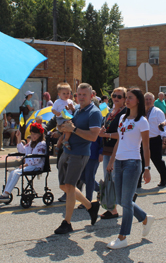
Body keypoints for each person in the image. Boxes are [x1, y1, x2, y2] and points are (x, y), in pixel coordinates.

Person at [106, 88, 155, 249]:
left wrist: (147, 168)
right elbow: (119, 140)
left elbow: (146, 147)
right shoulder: (122, 118)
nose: (127, 100)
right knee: (120, 200)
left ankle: (122, 237)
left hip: (132, 164)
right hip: (119, 162)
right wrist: (112, 160)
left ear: (138, 101)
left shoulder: (142, 121)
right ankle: (145, 218)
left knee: (126, 202)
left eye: (130, 98)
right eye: (126, 98)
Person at [53, 83, 103, 234]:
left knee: (69, 187)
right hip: (67, 151)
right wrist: (62, 128)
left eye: (84, 95)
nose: (81, 97)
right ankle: (90, 206)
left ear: (91, 96)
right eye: (78, 95)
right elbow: (66, 125)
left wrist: (73, 129)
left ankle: (67, 222)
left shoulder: (94, 112)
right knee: (64, 186)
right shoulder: (77, 109)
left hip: (79, 153)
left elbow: (94, 137)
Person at [0, 123, 47, 202]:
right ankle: (5, 193)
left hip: (37, 166)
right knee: (13, 172)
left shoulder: (42, 144)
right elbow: (22, 150)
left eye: (35, 134)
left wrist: (26, 164)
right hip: (30, 165)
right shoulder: (32, 143)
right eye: (32, 134)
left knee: (17, 173)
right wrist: (18, 138)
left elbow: (37, 160)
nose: (33, 136)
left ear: (40, 134)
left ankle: (6, 194)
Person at [98, 87, 127, 220]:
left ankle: (117, 207)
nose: (116, 98)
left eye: (119, 97)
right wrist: (102, 131)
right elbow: (106, 130)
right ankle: (112, 208)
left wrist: (107, 134)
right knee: (109, 178)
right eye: (114, 95)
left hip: (118, 149)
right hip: (107, 148)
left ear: (125, 99)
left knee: (114, 179)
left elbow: (123, 134)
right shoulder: (110, 111)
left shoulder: (125, 113)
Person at [140, 92, 166, 187]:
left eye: (149, 99)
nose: (148, 101)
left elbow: (163, 126)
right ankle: (137, 182)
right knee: (141, 161)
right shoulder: (140, 112)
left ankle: (164, 178)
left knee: (157, 160)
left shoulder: (158, 112)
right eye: (146, 99)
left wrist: (164, 137)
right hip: (142, 140)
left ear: (153, 101)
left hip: (155, 139)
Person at [51, 82, 75, 150]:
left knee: (66, 132)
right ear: (59, 94)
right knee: (68, 127)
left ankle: (59, 145)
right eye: (64, 93)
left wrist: (71, 108)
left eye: (68, 93)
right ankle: (65, 140)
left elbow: (73, 110)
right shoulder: (57, 102)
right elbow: (52, 109)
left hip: (68, 117)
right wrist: (56, 112)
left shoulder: (70, 101)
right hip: (61, 118)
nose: (66, 95)